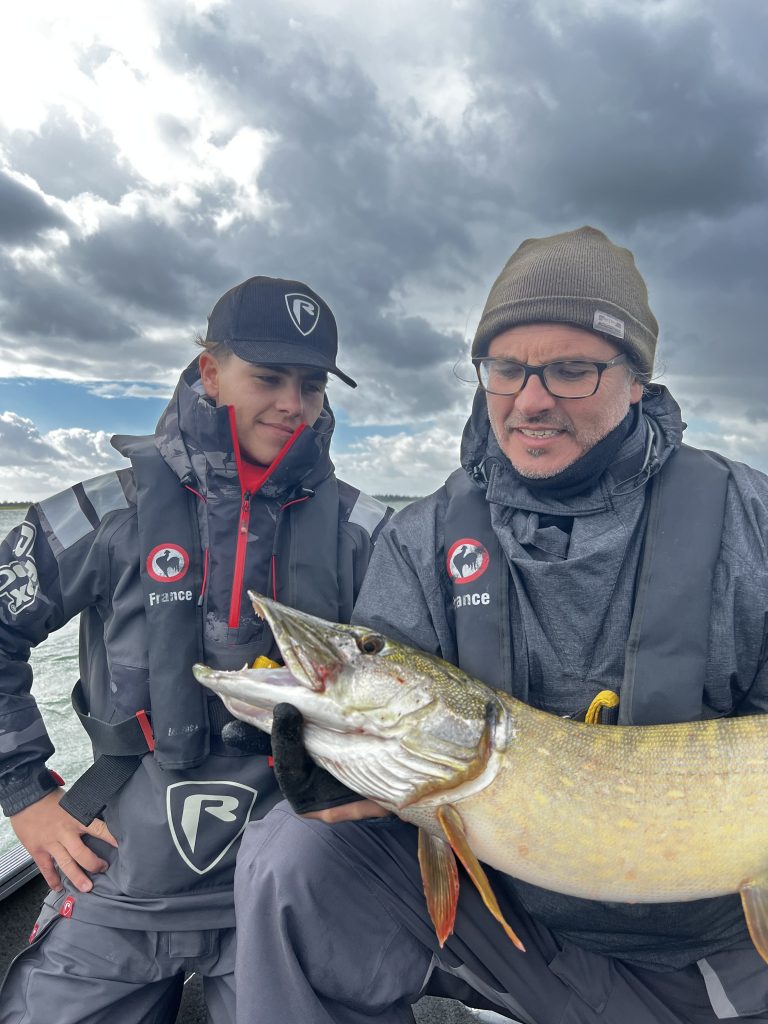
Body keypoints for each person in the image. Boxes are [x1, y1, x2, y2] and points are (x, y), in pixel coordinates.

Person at [232, 228, 768, 1023]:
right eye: (507, 369)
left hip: (705, 951)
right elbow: (420, 751)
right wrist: (346, 781)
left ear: (636, 380)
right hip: (510, 921)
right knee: (291, 855)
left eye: (572, 369)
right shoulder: (423, 541)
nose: (532, 398)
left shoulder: (747, 523)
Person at [0, 276, 391, 1023]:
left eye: (310, 386)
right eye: (268, 378)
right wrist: (26, 798)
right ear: (210, 373)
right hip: (120, 864)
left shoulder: (365, 532)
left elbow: (430, 680)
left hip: (291, 872)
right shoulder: (108, 510)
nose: (292, 404)